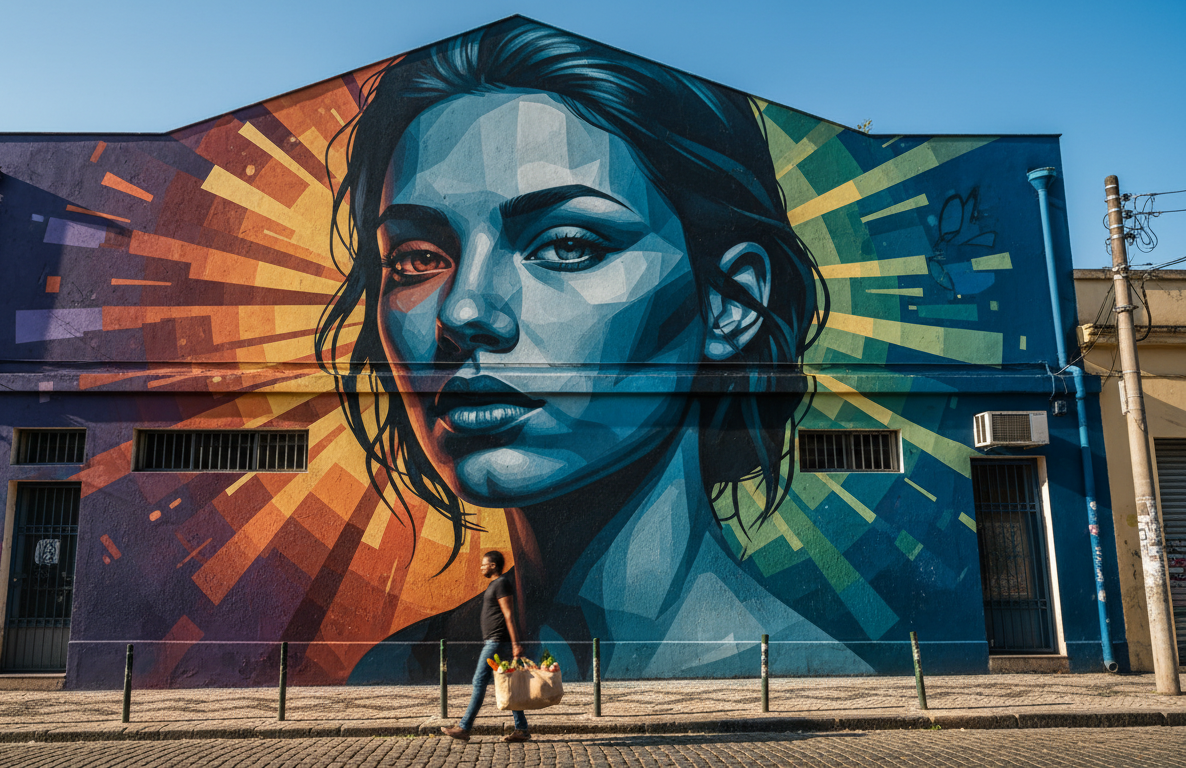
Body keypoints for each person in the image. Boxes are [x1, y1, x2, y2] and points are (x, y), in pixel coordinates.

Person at [319, 19, 872, 682]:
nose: (464, 310)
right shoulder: (392, 672)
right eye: (416, 258)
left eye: (567, 246)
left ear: (731, 304)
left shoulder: (804, 685)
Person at [439, 551, 530, 742]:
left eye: (484, 564)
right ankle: (521, 729)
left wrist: (516, 645)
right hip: (495, 642)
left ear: (493, 566)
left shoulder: (502, 583)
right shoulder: (495, 585)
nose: (481, 567)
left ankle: (464, 727)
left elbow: (509, 615)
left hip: (496, 643)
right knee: (509, 685)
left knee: (479, 682)